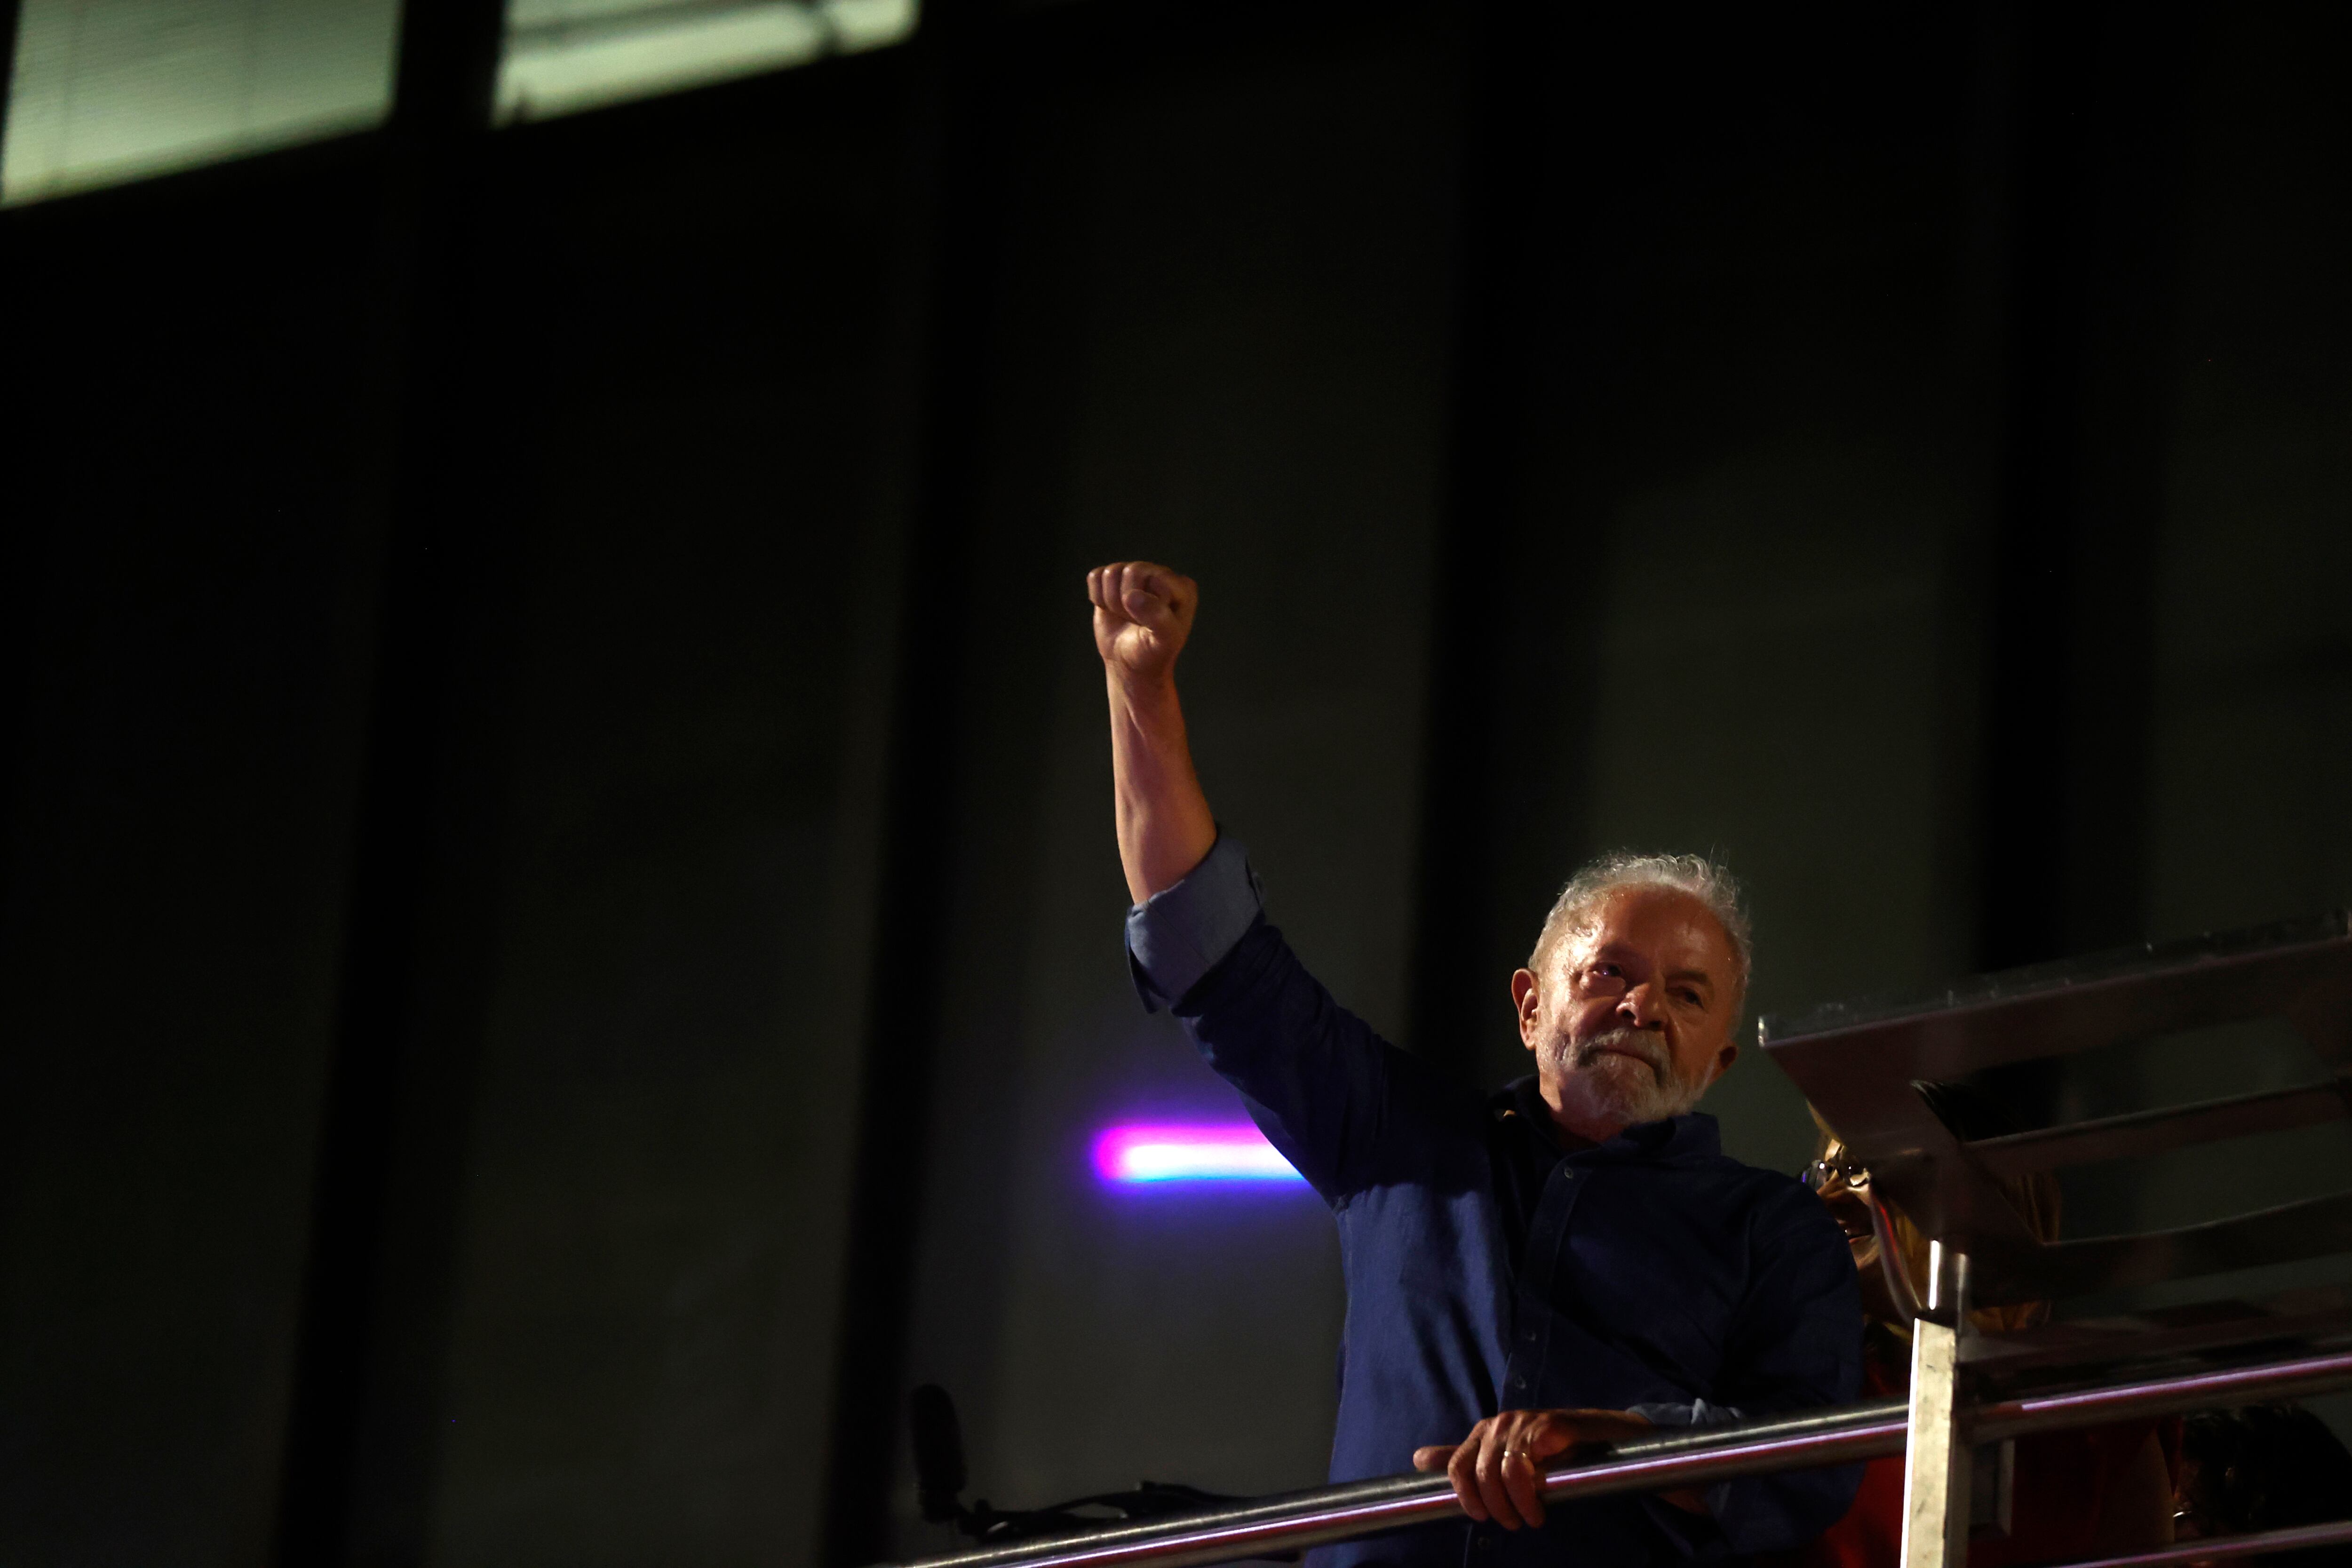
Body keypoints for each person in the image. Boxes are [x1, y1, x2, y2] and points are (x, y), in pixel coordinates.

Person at [1088, 561, 1864, 1568]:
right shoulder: (1396, 1137)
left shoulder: (1775, 1230)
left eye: (1685, 992)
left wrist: (1607, 1437)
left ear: (1718, 1059)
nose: (1640, 1005)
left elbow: (1805, 1467)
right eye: (1609, 972)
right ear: (1531, 1006)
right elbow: (1209, 947)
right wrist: (1139, 687)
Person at [1788, 1100, 2176, 1568]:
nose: (1824, 1198)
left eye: (1855, 1171)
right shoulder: (1800, 1389)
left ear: (1980, 1198)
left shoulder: (2099, 1425)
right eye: (1821, 1173)